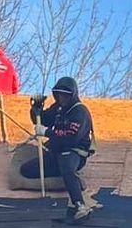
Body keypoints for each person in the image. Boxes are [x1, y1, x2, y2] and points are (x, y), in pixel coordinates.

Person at [22, 76, 97, 219]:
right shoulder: (58, 108)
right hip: (56, 151)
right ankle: (67, 178)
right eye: (59, 94)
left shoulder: (80, 111)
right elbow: (43, 120)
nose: (62, 98)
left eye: (65, 95)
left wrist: (47, 132)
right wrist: (36, 109)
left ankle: (80, 205)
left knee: (66, 165)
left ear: (72, 94)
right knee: (27, 170)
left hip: (74, 152)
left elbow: (71, 138)